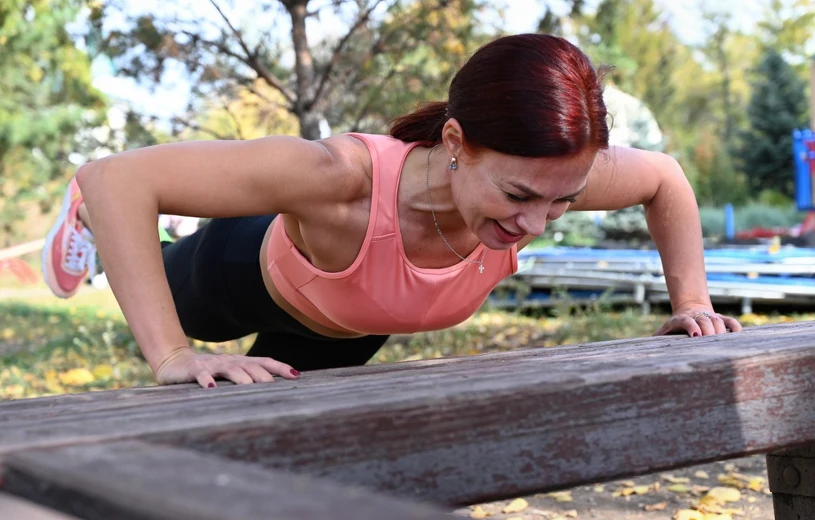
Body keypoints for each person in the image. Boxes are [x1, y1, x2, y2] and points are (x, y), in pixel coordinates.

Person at [41, 34, 743, 389]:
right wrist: (170, 354)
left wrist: (692, 301)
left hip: (348, 327)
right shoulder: (334, 177)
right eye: (519, 199)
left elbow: (666, 180)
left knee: (268, 467)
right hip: (238, 275)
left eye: (561, 205)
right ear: (454, 141)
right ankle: (89, 230)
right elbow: (116, 176)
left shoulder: (550, 171)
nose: (535, 223)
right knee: (158, 279)